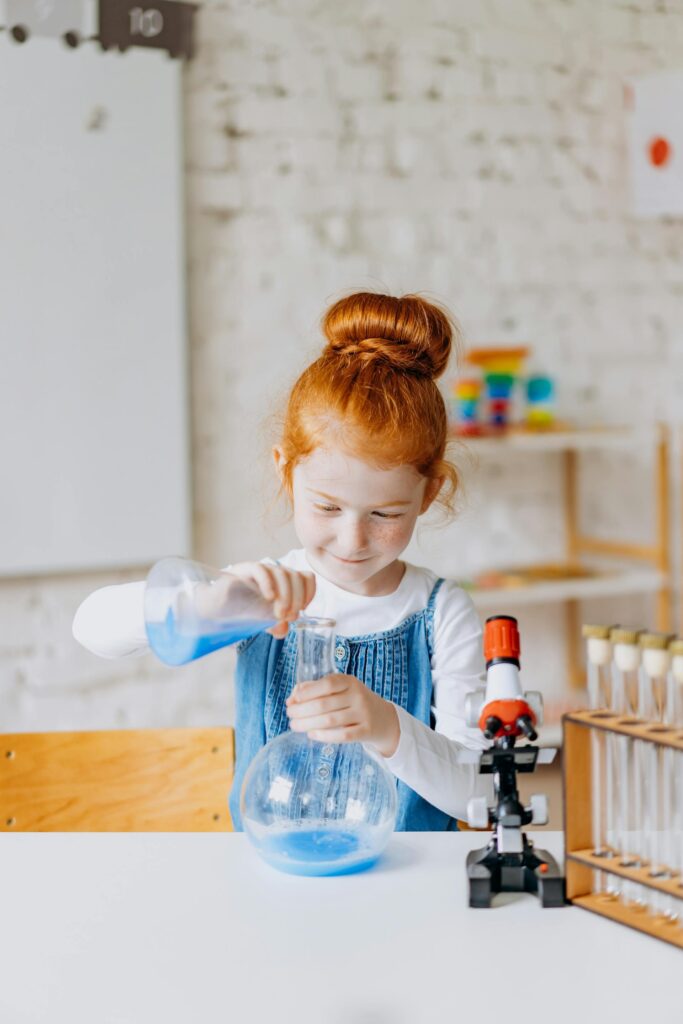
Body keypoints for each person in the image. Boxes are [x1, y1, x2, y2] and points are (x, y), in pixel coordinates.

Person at [73, 290, 490, 831]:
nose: (352, 538)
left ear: (429, 494)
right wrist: (205, 599)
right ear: (286, 472)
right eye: (327, 507)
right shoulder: (257, 596)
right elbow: (90, 629)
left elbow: (480, 795)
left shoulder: (443, 613)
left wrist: (387, 726)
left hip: (409, 880)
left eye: (385, 514)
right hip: (272, 882)